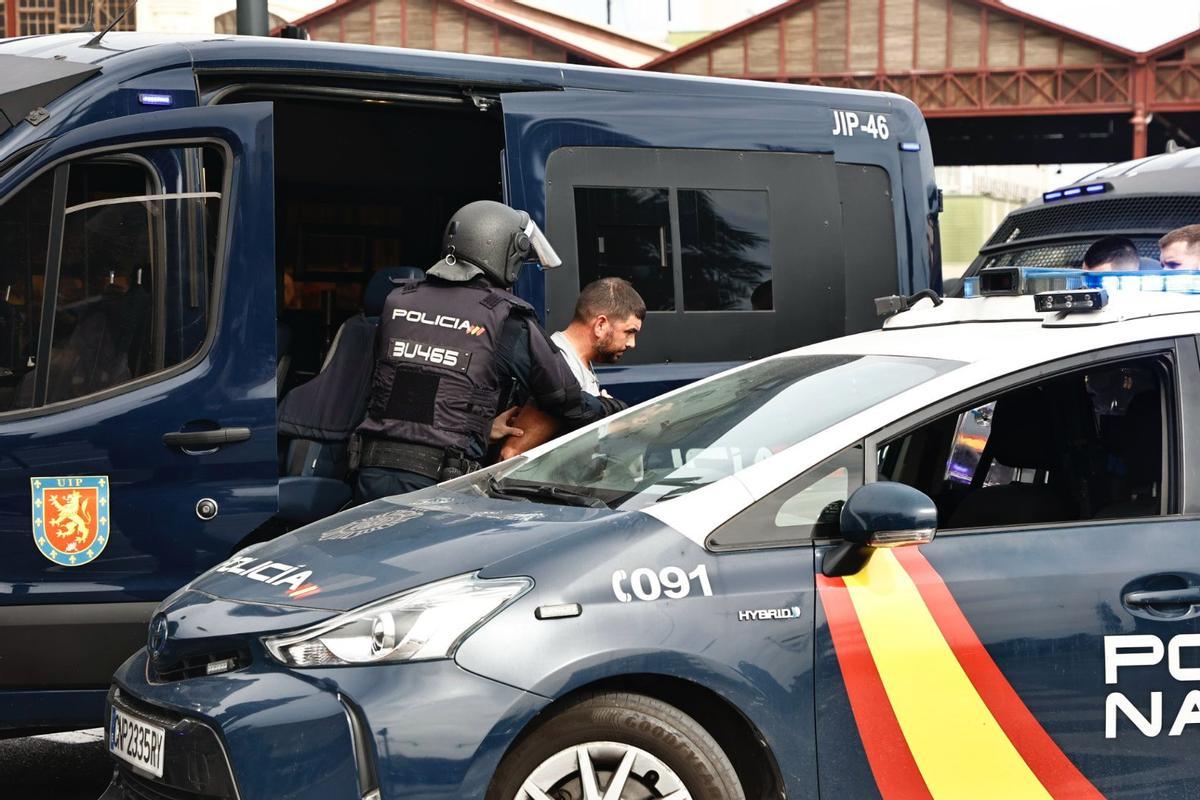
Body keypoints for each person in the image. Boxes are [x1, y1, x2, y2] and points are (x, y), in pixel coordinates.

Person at [353, 200, 627, 502]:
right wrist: (612, 408)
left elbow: (416, 395)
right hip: (438, 486)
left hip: (370, 475)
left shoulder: (398, 301)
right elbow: (564, 398)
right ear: (505, 252)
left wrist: (482, 426)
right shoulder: (505, 317)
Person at [498, 278, 646, 461]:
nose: (632, 343)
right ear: (600, 325)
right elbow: (511, 455)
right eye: (629, 332)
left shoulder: (573, 363)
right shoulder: (558, 371)